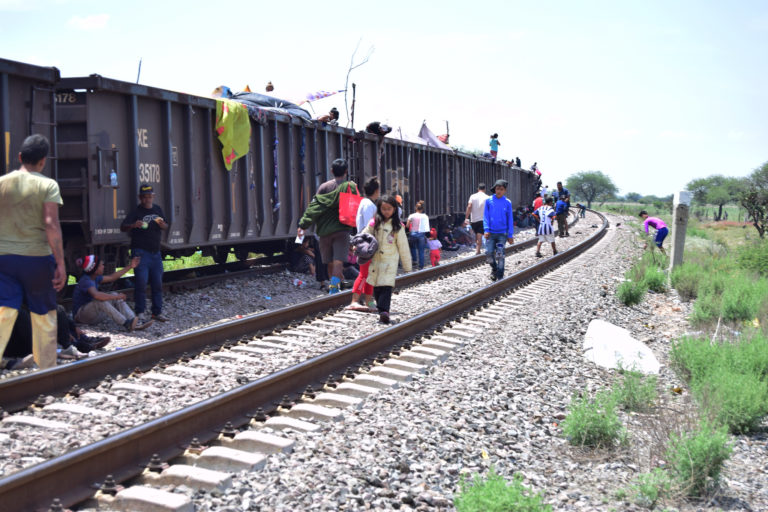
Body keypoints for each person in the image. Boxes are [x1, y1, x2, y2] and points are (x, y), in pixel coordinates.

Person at [0, 134, 64, 370]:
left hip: (4, 258)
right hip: (36, 259)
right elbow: (51, 224)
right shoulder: (47, 185)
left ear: (19, 157)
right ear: (43, 161)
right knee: (43, 313)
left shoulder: (2, 182)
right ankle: (45, 368)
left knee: (4, 309)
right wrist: (61, 263)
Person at [298, 158, 358, 294]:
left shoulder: (324, 187)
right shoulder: (350, 187)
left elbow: (314, 207)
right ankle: (334, 289)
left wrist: (303, 225)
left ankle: (334, 288)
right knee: (338, 262)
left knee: (330, 261)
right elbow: (354, 210)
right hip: (342, 231)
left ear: (332, 171)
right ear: (346, 171)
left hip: (325, 231)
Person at [3, 305, 110, 370]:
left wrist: (73, 326)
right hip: (12, 344)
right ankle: (64, 348)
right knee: (20, 313)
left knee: (56, 309)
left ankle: (71, 346)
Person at [121, 184, 169, 322]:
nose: (147, 199)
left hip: (155, 253)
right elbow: (123, 227)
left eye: (149, 196)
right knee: (141, 283)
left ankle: (157, 312)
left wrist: (161, 224)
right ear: (140, 198)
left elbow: (166, 226)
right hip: (140, 252)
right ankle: (140, 312)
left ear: (153, 196)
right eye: (144, 196)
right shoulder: (136, 211)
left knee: (157, 284)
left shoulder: (157, 209)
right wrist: (133, 225)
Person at [362, 196, 412, 324]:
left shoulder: (398, 227)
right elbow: (364, 235)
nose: (386, 211)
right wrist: (357, 245)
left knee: (386, 286)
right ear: (379, 209)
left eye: (389, 209)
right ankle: (381, 310)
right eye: (383, 209)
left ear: (394, 209)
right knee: (377, 287)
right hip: (376, 261)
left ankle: (385, 311)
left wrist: (407, 267)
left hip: (390, 262)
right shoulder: (374, 223)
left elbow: (403, 248)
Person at [72, 255, 154, 331]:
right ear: (95, 269)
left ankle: (134, 322)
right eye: (101, 265)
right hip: (81, 316)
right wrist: (117, 297)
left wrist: (130, 266)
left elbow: (112, 277)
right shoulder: (86, 280)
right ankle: (126, 323)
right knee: (101, 301)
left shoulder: (95, 277)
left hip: (92, 315)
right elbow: (96, 295)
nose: (103, 266)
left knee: (114, 294)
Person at [348, 177, 380, 311]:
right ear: (376, 191)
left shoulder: (365, 203)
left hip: (366, 241)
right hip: (366, 242)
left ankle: (368, 301)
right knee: (364, 273)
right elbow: (368, 227)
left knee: (369, 274)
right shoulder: (368, 205)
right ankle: (355, 300)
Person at [483, 179, 515, 281]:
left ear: (505, 190)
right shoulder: (489, 201)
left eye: (501, 189)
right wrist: (486, 229)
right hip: (491, 233)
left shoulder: (507, 202)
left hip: (502, 234)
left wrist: (510, 235)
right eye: (497, 189)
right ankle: (495, 269)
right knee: (488, 254)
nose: (499, 191)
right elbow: (485, 216)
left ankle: (500, 276)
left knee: (500, 255)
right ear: (495, 189)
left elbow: (510, 219)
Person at [465, 183, 490, 255]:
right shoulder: (487, 197)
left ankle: (478, 250)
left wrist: (466, 217)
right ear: (484, 189)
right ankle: (478, 250)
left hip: (474, 220)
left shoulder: (472, 196)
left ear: (478, 189)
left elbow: (469, 206)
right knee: (479, 235)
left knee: (477, 235)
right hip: (483, 219)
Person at [406, 200, 430, 270]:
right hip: (421, 235)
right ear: (422, 209)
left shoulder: (411, 216)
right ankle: (421, 265)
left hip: (413, 234)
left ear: (416, 208)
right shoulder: (425, 216)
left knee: (413, 248)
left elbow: (407, 226)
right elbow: (427, 227)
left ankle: (414, 261)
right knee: (421, 250)